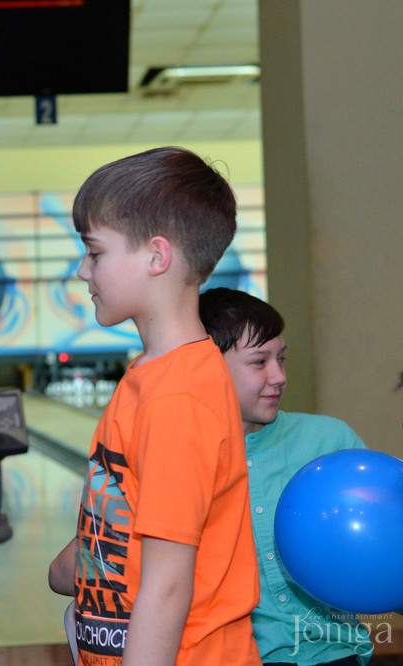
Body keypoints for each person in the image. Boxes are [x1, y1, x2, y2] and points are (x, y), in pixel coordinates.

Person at [47, 147, 261, 666]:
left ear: (156, 257)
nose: (81, 270)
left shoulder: (179, 398)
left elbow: (166, 589)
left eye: (94, 252)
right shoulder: (152, 375)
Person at [199, 287, 373, 666]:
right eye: (260, 362)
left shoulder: (331, 441)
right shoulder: (180, 457)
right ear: (207, 367)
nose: (279, 376)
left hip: (334, 653)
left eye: (282, 359)